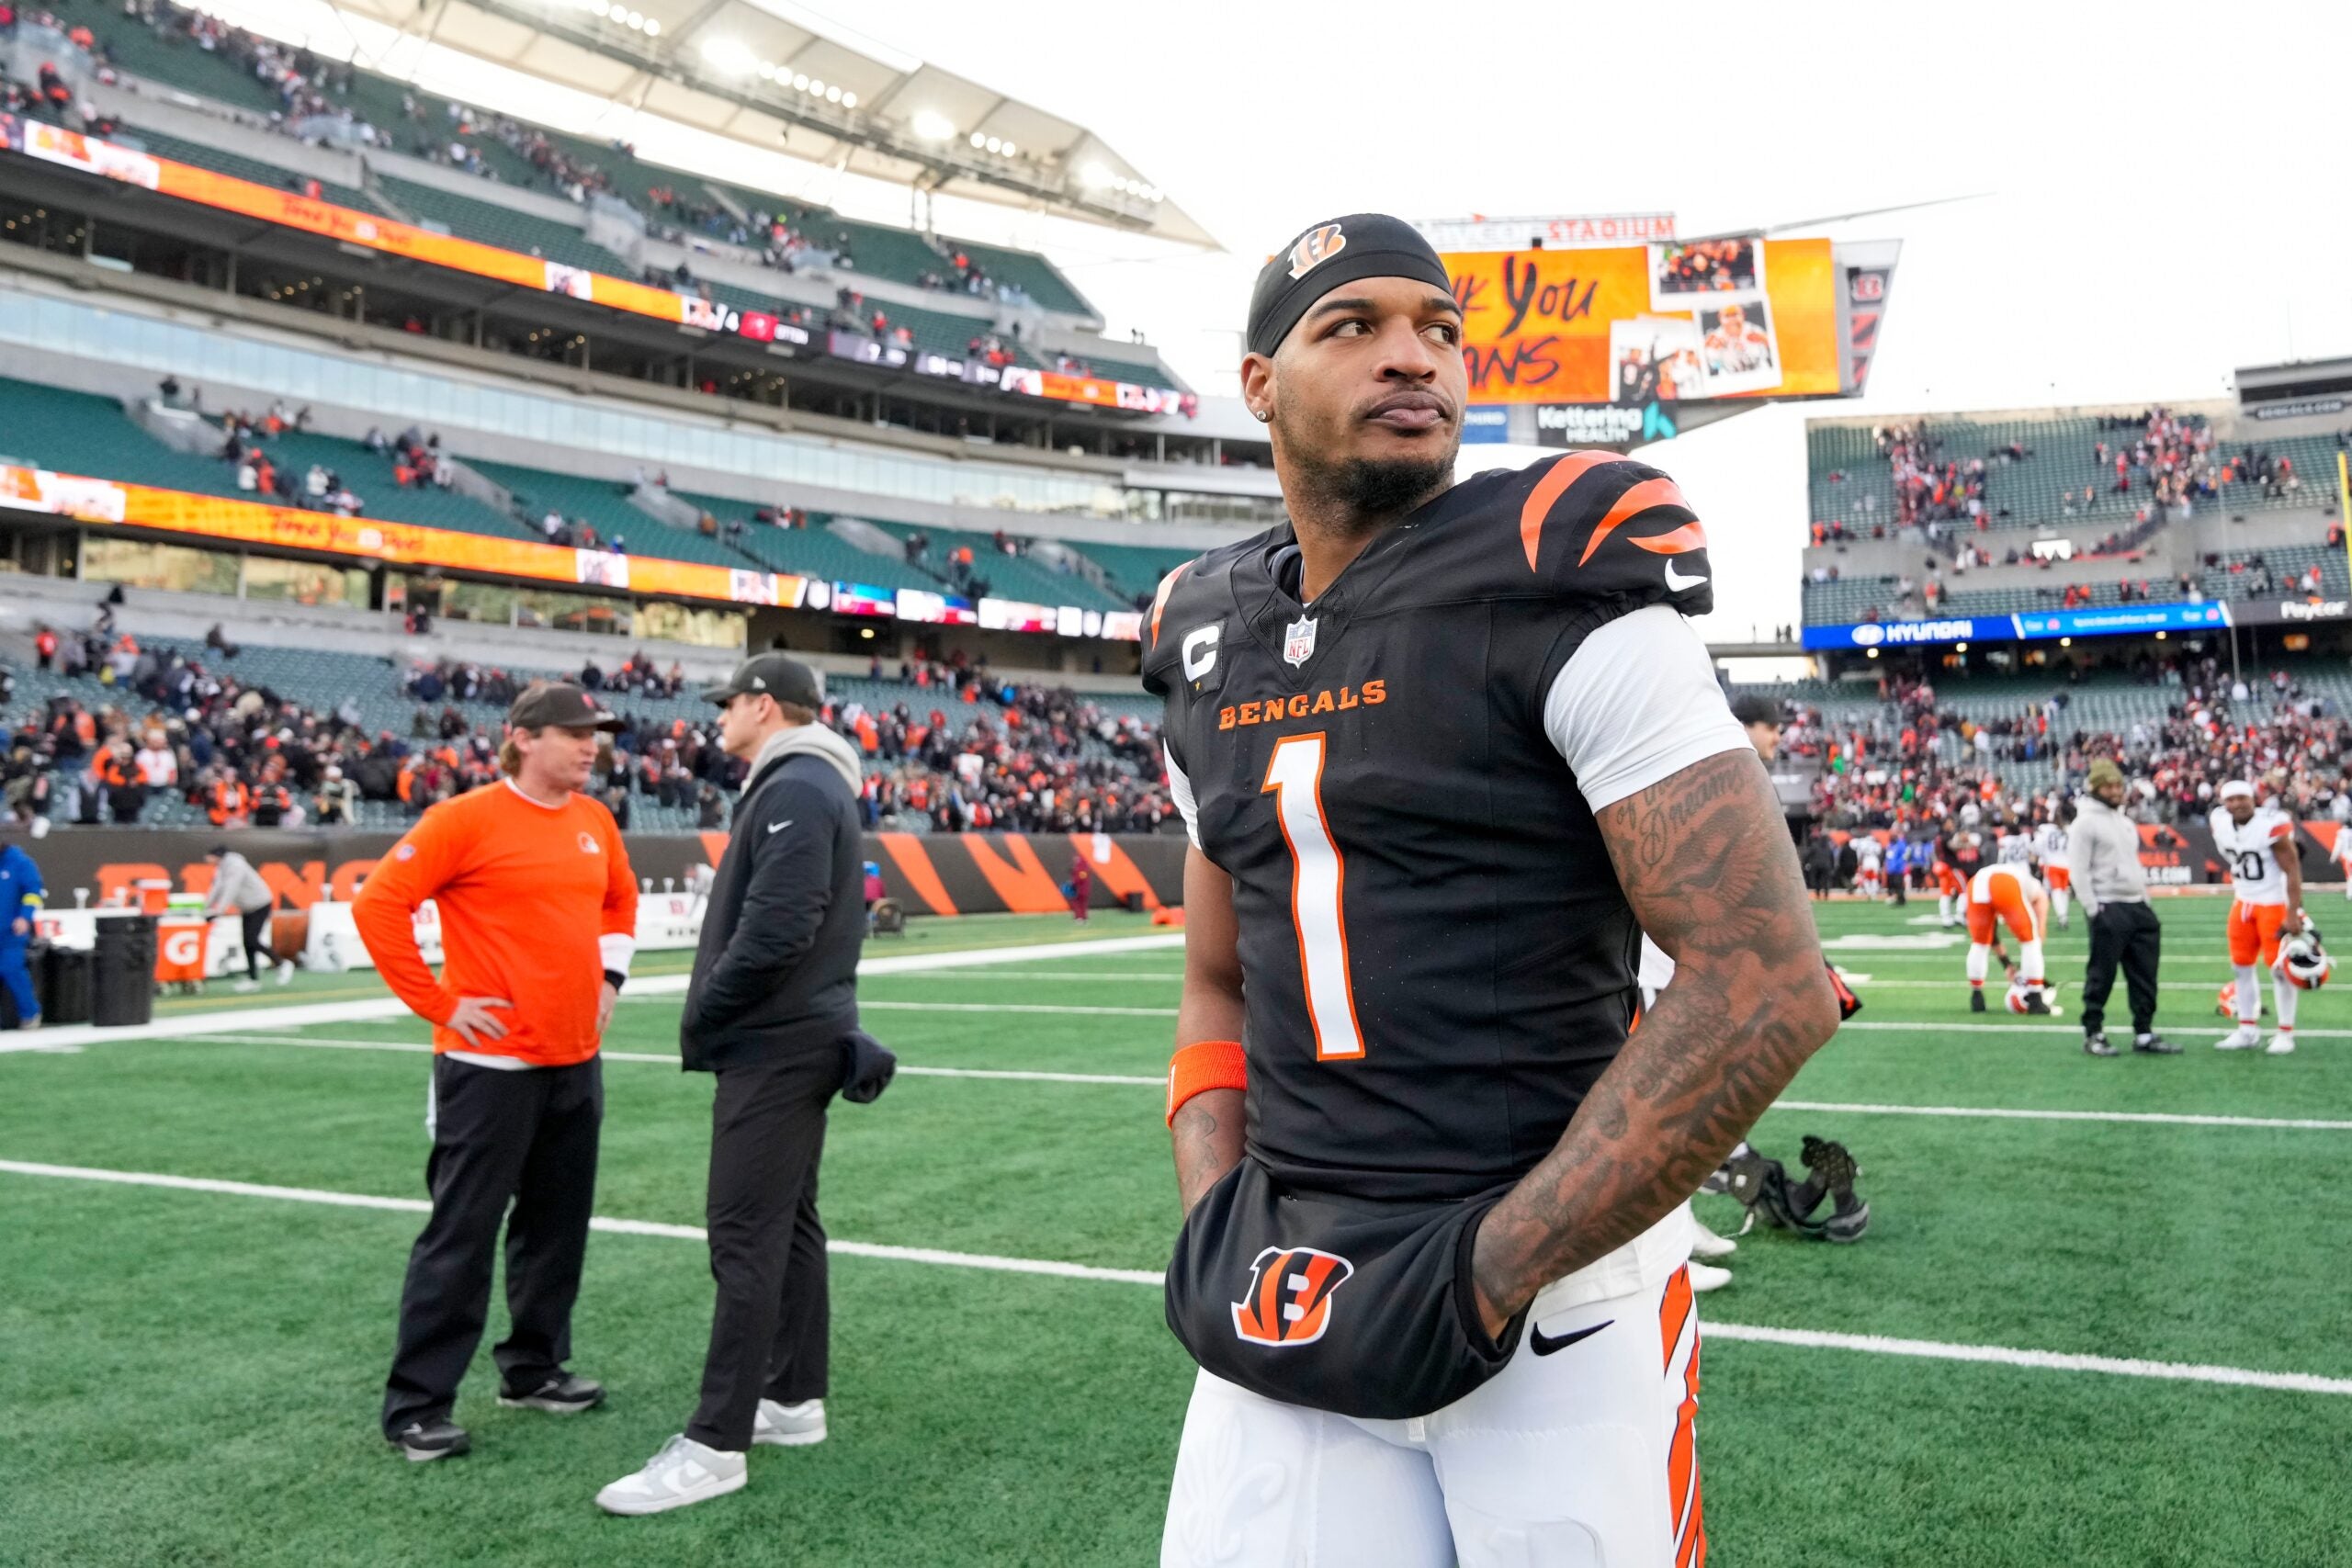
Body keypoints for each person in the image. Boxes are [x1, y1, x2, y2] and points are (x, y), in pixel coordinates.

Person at [1145, 213, 1841, 1565]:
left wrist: (1488, 1267)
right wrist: (1215, 1209)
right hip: (1291, 1275)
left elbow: (1765, 979)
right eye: (1354, 327)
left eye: (1438, 327)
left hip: (1555, 1303)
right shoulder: (1204, 638)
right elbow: (1218, 974)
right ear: (1258, 384)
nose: (1413, 357)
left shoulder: (1557, 572)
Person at [599, 654, 868, 1517]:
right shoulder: (808, 781)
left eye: (729, 703)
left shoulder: (796, 785)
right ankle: (790, 1398)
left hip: (776, 1045)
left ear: (763, 703)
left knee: (743, 1234)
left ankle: (716, 1443)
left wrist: (709, 1006)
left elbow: (778, 926)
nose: (719, 717)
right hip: (799, 1037)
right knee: (787, 1226)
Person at [354, 683, 638, 1463]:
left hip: (575, 1059)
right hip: (488, 1067)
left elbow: (621, 901)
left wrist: (610, 980)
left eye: (596, 733)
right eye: (574, 733)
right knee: (462, 1234)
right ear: (521, 737)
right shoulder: (465, 818)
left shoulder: (594, 820)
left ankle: (534, 1369)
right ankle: (417, 1406)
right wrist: (438, 1001)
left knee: (556, 1226)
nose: (590, 745)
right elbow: (378, 906)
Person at [2072, 760, 2172, 1057]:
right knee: (2101, 975)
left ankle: (2143, 1033)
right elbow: (2078, 871)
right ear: (2096, 787)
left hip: (2136, 905)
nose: (2116, 791)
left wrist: (2145, 900)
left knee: (2145, 975)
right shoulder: (2085, 823)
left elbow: (2132, 865)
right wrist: (2093, 909)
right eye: (2109, 786)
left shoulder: (2125, 821)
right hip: (2108, 904)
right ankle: (2094, 1033)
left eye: (2118, 785)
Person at [2209, 779, 2306, 1054]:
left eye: (2242, 798)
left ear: (2253, 798)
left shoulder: (2270, 824)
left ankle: (2285, 1032)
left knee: (2279, 971)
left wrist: (2292, 911)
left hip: (2272, 902)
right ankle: (2247, 1029)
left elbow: (2292, 868)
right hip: (2243, 901)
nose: (2237, 804)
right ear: (2223, 803)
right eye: (2231, 800)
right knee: (2240, 966)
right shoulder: (2219, 821)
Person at [1964, 862, 2051, 1012]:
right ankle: (2036, 998)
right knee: (2031, 942)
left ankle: (1976, 998)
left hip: (1976, 882)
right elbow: (2038, 929)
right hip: (2003, 883)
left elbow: (1992, 935)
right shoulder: (2036, 890)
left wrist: (2007, 964)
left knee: (1979, 943)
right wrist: (2029, 970)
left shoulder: (2018, 877)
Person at [202, 843, 290, 991]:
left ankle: (281, 963)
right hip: (247, 907)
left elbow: (231, 889)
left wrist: (218, 912)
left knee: (252, 940)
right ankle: (253, 978)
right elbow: (217, 888)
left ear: (216, 856)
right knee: (247, 943)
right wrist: (205, 909)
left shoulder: (236, 866)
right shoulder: (222, 867)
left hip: (260, 904)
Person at [0, 839, 42, 1030]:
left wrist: (25, 917)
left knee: (12, 970)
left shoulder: (21, 863)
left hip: (11, 932)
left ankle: (30, 1013)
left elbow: (33, 892)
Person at [2037, 809, 2074, 929]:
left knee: (2057, 892)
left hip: (2053, 864)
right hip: (2067, 865)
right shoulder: (2068, 830)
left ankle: (2062, 917)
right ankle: (2064, 916)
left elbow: (2038, 846)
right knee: (2063, 891)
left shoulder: (2045, 830)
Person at [1068, 854, 1091, 923]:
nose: (1075, 861)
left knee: (1077, 903)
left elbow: (1081, 878)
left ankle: (1079, 917)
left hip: (1080, 889)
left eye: (1077, 859)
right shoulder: (1084, 868)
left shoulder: (1082, 869)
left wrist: (1073, 883)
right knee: (1083, 904)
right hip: (1085, 889)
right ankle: (1084, 917)